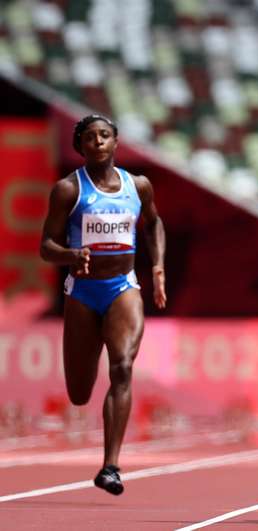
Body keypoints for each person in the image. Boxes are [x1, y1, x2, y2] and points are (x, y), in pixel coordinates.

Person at [40, 114, 166, 495]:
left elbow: (154, 224)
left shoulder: (137, 185)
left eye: (105, 136)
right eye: (90, 137)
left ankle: (111, 466)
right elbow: (46, 246)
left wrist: (157, 265)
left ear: (115, 142)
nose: (98, 142)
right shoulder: (67, 189)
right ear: (80, 147)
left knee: (123, 367)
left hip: (122, 287)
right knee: (79, 392)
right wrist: (70, 255)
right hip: (81, 291)